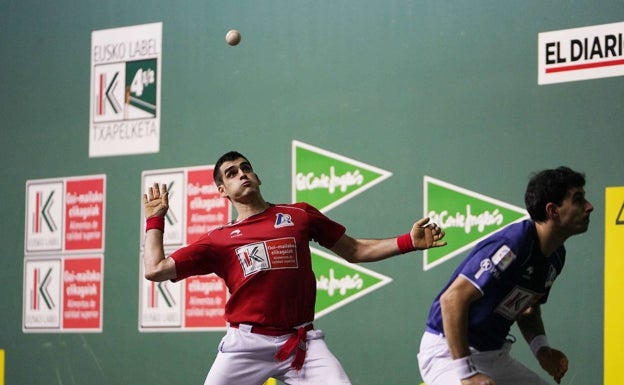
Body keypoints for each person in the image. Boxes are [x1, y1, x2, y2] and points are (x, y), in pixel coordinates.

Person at [142, 151, 447, 385]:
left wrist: (409, 241)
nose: (242, 174)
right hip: (246, 345)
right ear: (222, 190)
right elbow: (155, 269)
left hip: (302, 343)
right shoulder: (218, 240)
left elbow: (354, 250)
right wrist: (155, 219)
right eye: (232, 173)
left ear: (257, 177)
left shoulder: (299, 215)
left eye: (246, 168)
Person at [417, 166, 593, 385]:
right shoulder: (512, 245)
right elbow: (452, 299)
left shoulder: (556, 256)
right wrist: (467, 373)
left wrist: (541, 349)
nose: (589, 207)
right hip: (448, 354)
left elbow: (526, 307)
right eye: (578, 200)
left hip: (493, 356)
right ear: (552, 211)